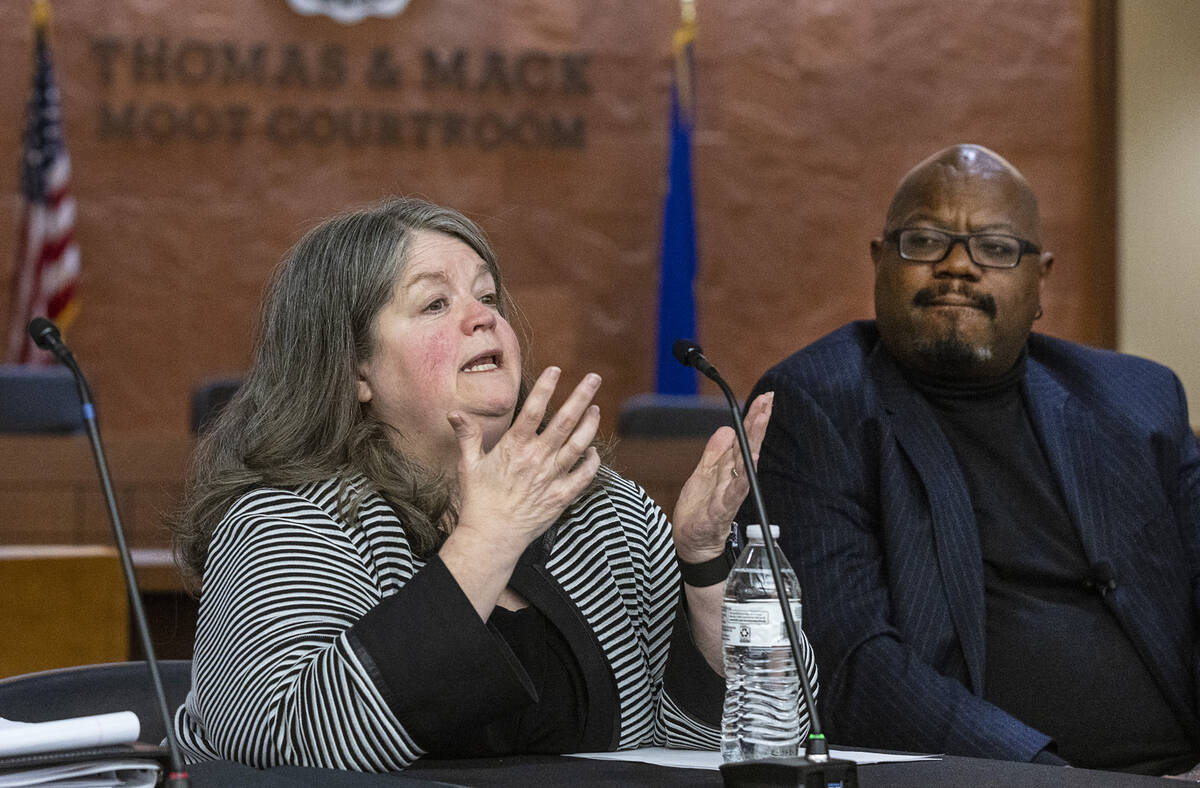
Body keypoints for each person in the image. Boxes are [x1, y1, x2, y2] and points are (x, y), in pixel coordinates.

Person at [169, 197, 817, 771]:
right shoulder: (287, 521)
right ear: (353, 368)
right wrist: (489, 539)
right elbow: (287, 744)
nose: (482, 318)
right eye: (435, 302)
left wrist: (704, 562)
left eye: (487, 297)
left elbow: (757, 726)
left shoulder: (604, 513)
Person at [745, 144, 1200, 777]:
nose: (957, 266)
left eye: (995, 248)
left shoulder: (1139, 401)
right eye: (925, 240)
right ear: (879, 260)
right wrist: (1058, 777)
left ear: (1040, 279)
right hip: (1000, 775)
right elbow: (848, 662)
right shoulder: (819, 402)